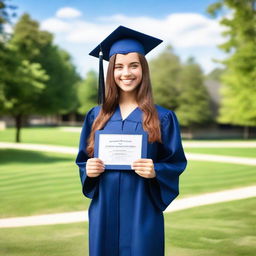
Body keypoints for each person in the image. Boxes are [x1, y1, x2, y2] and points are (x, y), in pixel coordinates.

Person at [75, 25, 187, 256]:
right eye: (119, 67)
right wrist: (89, 169)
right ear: (110, 72)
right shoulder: (95, 116)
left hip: (142, 208)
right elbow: (83, 160)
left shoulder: (163, 117)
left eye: (134, 65)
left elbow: (176, 162)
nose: (126, 73)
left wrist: (156, 170)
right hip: (104, 208)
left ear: (143, 69)